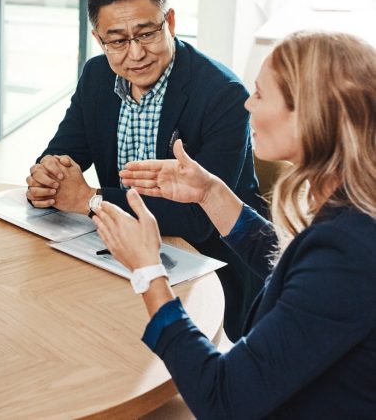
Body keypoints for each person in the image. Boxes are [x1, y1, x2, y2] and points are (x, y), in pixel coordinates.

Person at [94, 31, 376, 419]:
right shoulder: (352, 208)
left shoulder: (348, 250)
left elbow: (223, 400)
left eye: (259, 94)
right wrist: (210, 193)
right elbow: (293, 270)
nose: (247, 103)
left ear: (309, 114)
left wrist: (147, 272)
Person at [26, 0, 263, 340]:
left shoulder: (223, 94)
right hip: (119, 255)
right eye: (117, 41)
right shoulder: (97, 76)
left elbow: (200, 218)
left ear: (169, 21)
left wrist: (90, 200)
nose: (135, 54)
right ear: (98, 39)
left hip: (207, 264)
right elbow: (64, 152)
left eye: (147, 34)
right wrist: (48, 176)